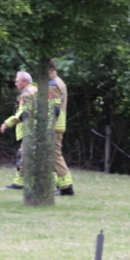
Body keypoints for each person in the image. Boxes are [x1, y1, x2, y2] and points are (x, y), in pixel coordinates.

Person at [0, 71, 37, 189]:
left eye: (17, 81)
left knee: (27, 157)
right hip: (38, 129)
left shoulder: (26, 94)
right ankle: (19, 183)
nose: (15, 84)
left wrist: (7, 123)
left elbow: (23, 113)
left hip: (30, 129)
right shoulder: (35, 90)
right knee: (23, 156)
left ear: (24, 82)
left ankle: (52, 183)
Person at [48, 59, 75, 196]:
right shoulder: (58, 82)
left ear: (51, 69)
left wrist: (47, 126)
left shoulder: (53, 84)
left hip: (54, 125)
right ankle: (61, 185)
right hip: (58, 124)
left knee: (55, 154)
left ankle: (66, 186)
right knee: (54, 154)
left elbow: (55, 109)